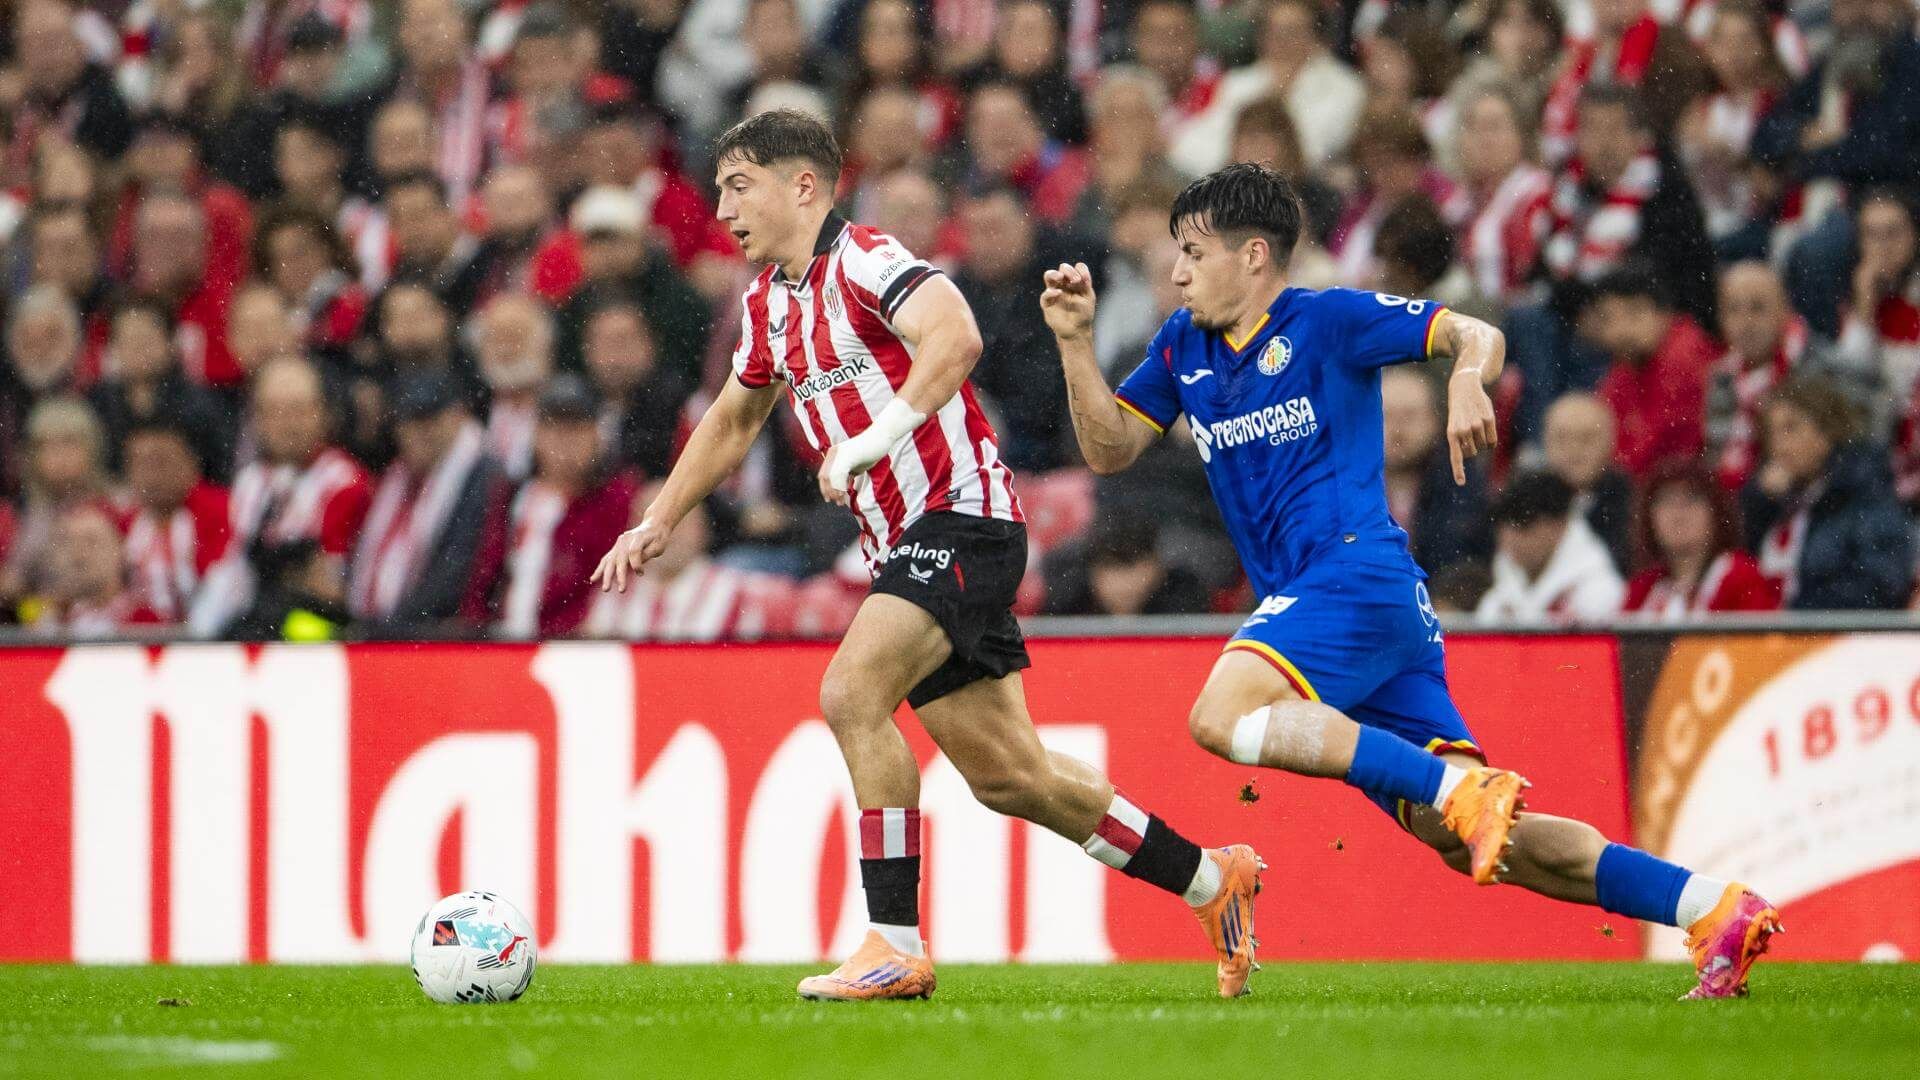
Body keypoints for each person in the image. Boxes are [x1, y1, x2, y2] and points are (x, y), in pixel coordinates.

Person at [1045, 162, 1778, 1000]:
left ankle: (1460, 787)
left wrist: (1466, 378)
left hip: (1355, 577)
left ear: (1253, 255)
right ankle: (1712, 908)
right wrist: (1073, 342)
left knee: (1220, 716)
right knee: (1474, 842)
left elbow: (1479, 335)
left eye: (1192, 252)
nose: (1175, 272)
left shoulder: (1327, 319)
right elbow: (1108, 450)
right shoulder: (1183, 345)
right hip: (1348, 614)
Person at [592, 109, 1260, 1002]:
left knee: (850, 692)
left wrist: (875, 438)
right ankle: (1214, 880)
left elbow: (957, 338)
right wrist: (661, 517)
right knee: (1011, 776)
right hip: (906, 542)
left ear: (805, 186)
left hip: (962, 519)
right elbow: (735, 414)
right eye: (718, 190)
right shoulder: (766, 303)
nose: (723, 209)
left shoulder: (866, 258)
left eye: (739, 186)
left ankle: (894, 942)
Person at [188, 357, 372, 637]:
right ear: (258, 420)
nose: (288, 424)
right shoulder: (249, 483)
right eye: (275, 412)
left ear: (323, 414)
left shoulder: (344, 481)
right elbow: (231, 570)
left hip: (317, 633)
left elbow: (329, 582)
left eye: (299, 410)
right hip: (253, 626)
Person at [465, 375, 640, 638]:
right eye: (554, 428)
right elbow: (484, 580)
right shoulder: (513, 498)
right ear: (536, 435)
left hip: (572, 648)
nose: (565, 442)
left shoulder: (617, 500)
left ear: (597, 436)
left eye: (576, 429)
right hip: (501, 645)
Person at [348, 371, 504, 635]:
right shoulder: (395, 480)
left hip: (440, 639)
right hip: (392, 633)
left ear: (457, 416)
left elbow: (457, 571)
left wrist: (391, 628)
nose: (421, 432)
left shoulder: (484, 478)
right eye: (411, 421)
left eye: (431, 419)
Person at [1743, 377, 1915, 610]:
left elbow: (1881, 584)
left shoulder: (1865, 493)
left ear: (1826, 431)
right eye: (1772, 434)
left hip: (1835, 640)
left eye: (1791, 428)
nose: (1779, 446)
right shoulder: (1776, 500)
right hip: (1771, 640)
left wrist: (1796, 616)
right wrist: (1760, 503)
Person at [1582, 262, 1720, 479]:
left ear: (1664, 313)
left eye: (1633, 314)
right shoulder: (1630, 362)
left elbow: (1664, 446)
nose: (1620, 330)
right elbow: (1600, 424)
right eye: (1608, 319)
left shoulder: (1684, 356)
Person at [1623, 460, 1778, 618]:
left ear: (1716, 512)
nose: (1678, 514)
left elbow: (1759, 640)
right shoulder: (1643, 588)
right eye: (1665, 501)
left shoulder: (1742, 577)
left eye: (1692, 499)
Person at [118, 417, 232, 624]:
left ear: (191, 465)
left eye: (160, 462)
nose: (150, 476)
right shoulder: (123, 522)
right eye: (140, 464)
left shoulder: (222, 510)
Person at [1477, 471, 1628, 621]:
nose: (1511, 540)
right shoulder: (1497, 598)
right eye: (1504, 529)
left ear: (1559, 525)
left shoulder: (1598, 592)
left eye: (1524, 525)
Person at [1540, 392, 1634, 573]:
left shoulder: (1630, 503)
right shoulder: (1527, 500)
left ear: (1611, 443)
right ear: (1546, 443)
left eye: (1587, 438)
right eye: (1562, 439)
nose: (1574, 450)